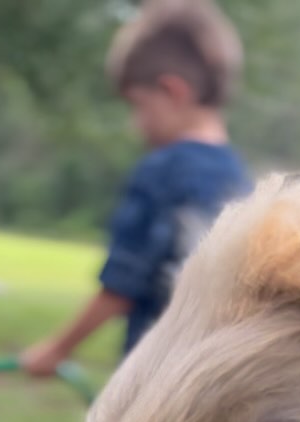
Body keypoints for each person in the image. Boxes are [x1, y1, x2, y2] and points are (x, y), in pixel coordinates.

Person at [21, 0, 251, 375]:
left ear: (173, 92)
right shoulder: (239, 178)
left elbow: (122, 285)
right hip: (210, 373)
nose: (136, 125)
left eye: (138, 106)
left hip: (153, 375)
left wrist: (56, 349)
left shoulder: (163, 169)